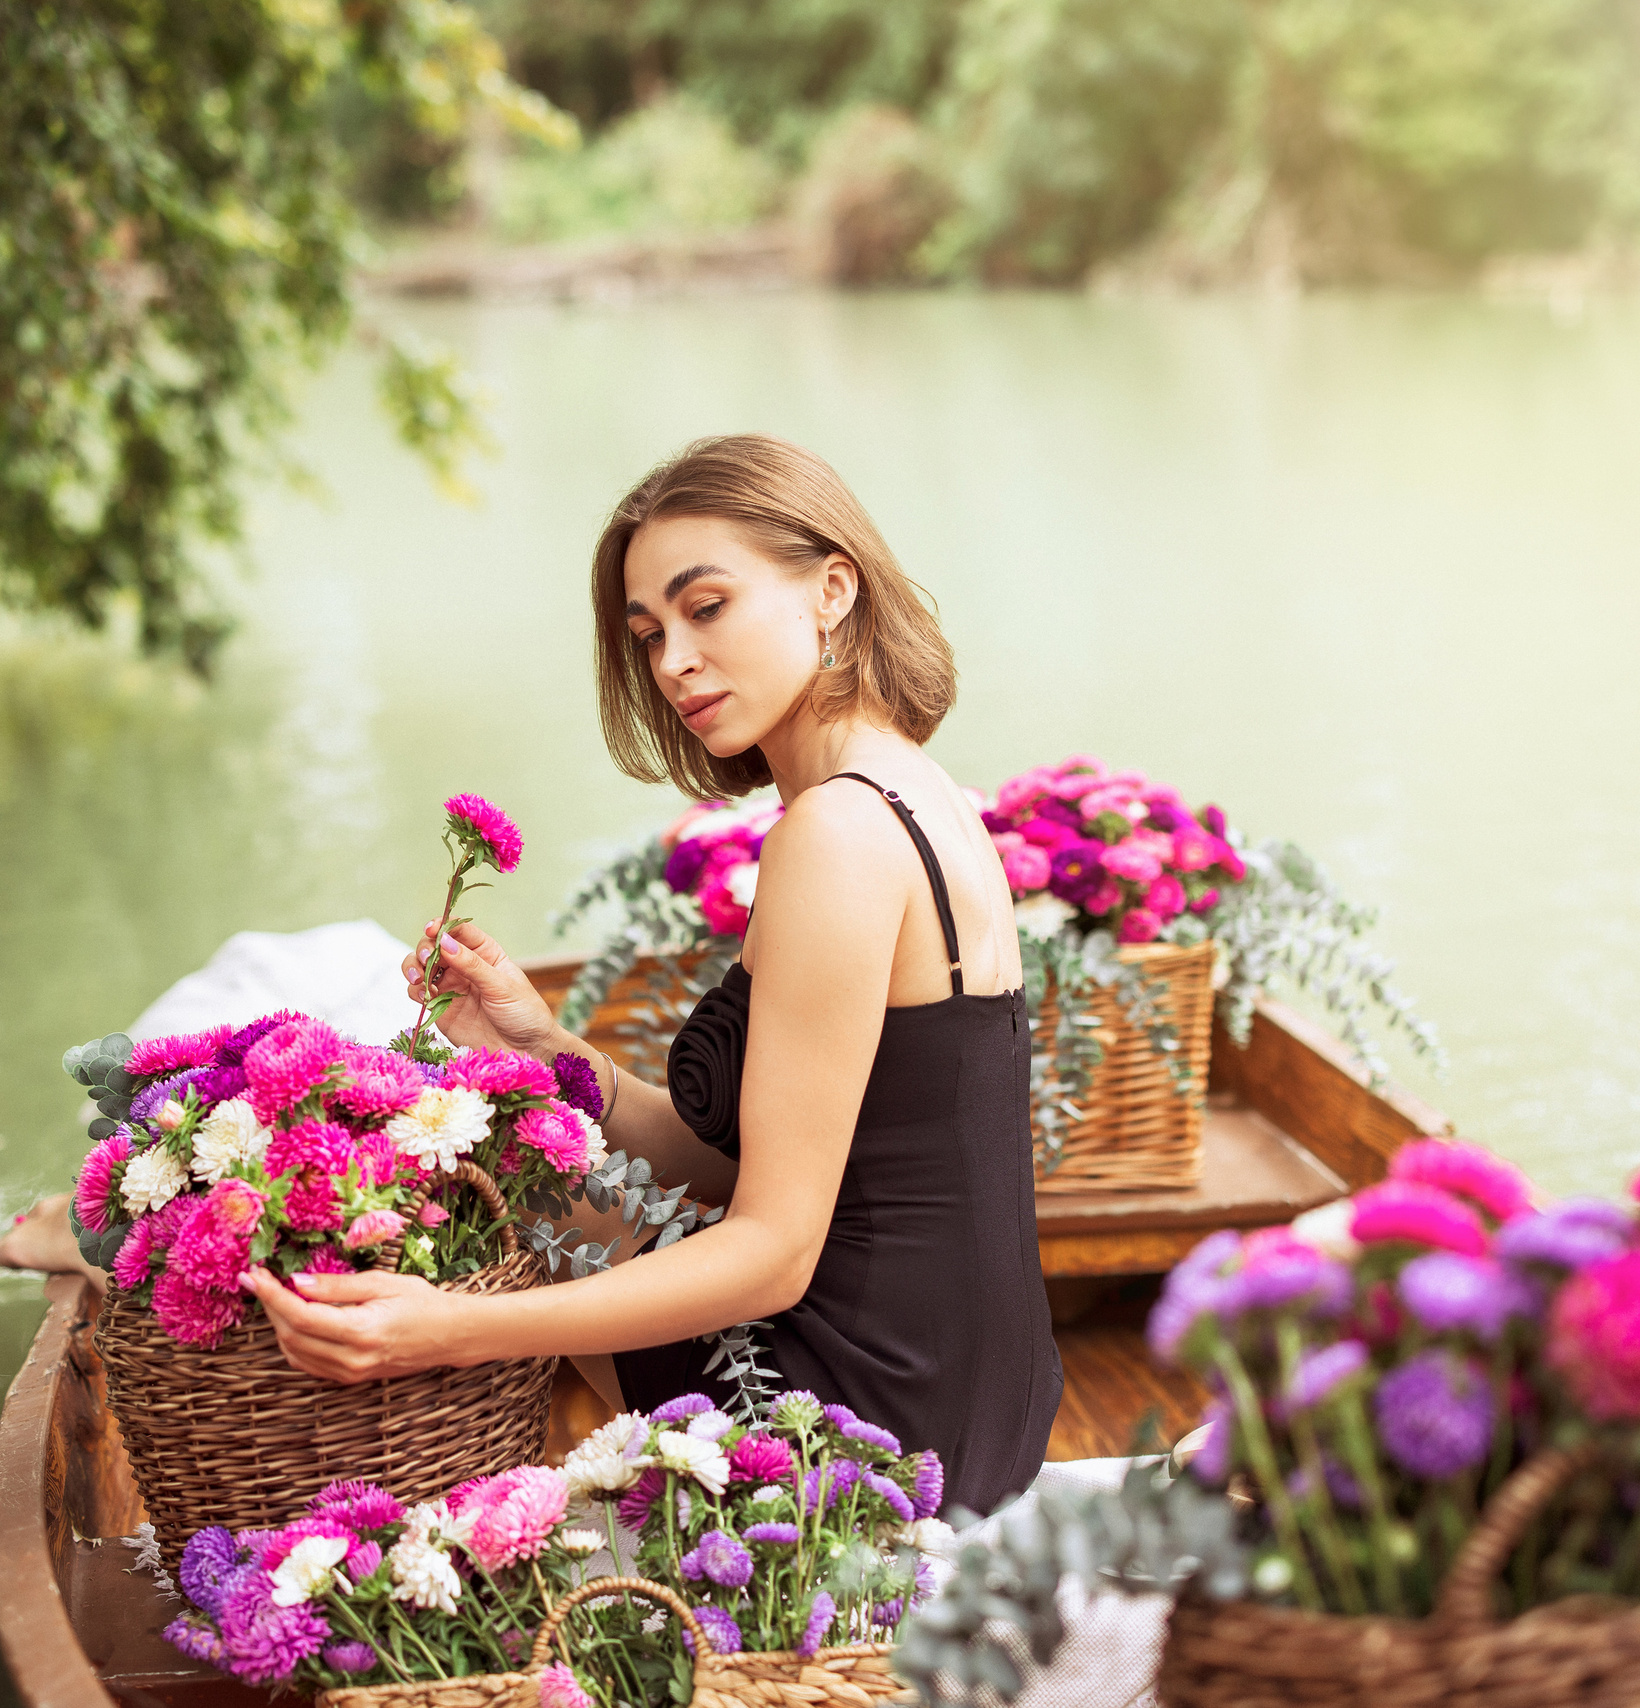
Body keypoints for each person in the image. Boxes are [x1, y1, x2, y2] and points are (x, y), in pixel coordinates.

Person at [247, 435, 1062, 1516]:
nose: (672, 658)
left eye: (707, 606)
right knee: (515, 1118)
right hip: (981, 1398)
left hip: (855, 1423)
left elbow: (769, 1253)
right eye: (648, 634)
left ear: (830, 589)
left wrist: (446, 1326)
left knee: (486, 1167)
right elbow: (738, 1163)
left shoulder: (834, 836)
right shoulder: (919, 795)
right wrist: (543, 1048)